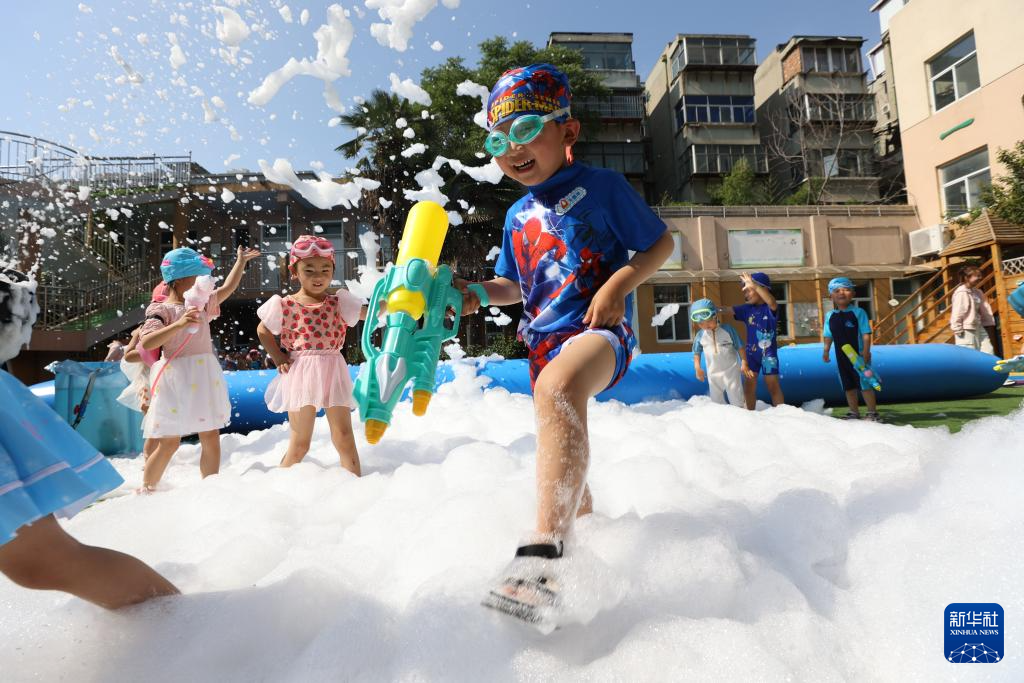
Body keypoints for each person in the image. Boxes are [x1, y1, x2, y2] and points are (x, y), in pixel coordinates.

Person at [458, 64, 674, 624]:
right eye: (499, 140)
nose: (513, 149)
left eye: (526, 130)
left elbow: (659, 245)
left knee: (558, 390)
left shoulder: (602, 188)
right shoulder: (516, 214)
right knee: (560, 444)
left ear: (567, 131)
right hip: (543, 346)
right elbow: (512, 285)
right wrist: (474, 294)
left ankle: (543, 558)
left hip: (601, 332)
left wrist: (617, 285)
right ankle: (588, 545)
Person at [0, 267, 178, 607]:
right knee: (40, 561)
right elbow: (135, 354)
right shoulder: (158, 317)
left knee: (40, 560)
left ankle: (181, 621)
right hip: (160, 385)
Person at [138, 245, 260, 492]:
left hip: (203, 375)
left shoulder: (202, 303)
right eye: (198, 277)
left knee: (210, 435)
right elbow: (148, 342)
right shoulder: (160, 309)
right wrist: (179, 324)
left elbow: (228, 288)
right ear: (179, 280)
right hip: (175, 377)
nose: (204, 282)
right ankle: (147, 490)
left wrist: (240, 263)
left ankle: (209, 490)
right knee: (169, 442)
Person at [256, 235, 367, 474]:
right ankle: (278, 486)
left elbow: (370, 313)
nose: (318, 276)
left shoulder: (339, 302)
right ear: (294, 272)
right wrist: (278, 356)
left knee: (344, 436)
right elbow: (262, 330)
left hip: (333, 370)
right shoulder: (285, 304)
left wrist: (400, 303)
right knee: (300, 444)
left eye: (325, 269)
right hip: (301, 372)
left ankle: (355, 484)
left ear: (333, 270)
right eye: (309, 270)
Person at [722, 272, 785, 409]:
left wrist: (754, 285)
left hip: (768, 355)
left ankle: (782, 414)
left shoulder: (770, 308)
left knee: (773, 385)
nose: (745, 294)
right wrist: (711, 308)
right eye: (745, 291)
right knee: (749, 386)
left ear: (763, 289)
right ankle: (750, 415)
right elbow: (727, 309)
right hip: (751, 354)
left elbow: (771, 302)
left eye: (749, 290)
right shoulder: (747, 309)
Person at [822, 277, 880, 421]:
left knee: (865, 383)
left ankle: (872, 413)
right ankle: (854, 412)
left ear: (853, 294)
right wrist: (826, 350)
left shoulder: (859, 312)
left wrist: (866, 351)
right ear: (831, 295)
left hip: (859, 356)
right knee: (847, 385)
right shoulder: (830, 316)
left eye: (846, 290)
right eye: (837, 291)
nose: (841, 293)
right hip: (842, 358)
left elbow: (866, 333)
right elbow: (828, 335)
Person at [690, 298, 747, 407]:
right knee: (717, 404)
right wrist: (697, 368)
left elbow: (740, 347)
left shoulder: (728, 330)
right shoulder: (700, 335)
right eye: (701, 324)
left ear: (715, 316)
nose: (705, 326)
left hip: (731, 373)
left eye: (708, 321)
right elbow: (696, 353)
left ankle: (740, 415)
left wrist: (744, 362)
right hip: (713, 375)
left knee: (737, 401)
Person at [950, 264, 996, 354]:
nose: (980, 278)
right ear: (967, 277)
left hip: (978, 326)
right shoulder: (961, 292)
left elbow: (984, 308)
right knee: (970, 355)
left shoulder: (977, 292)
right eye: (977, 276)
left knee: (988, 351)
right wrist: (957, 329)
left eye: (980, 275)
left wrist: (987, 322)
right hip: (966, 329)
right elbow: (958, 312)